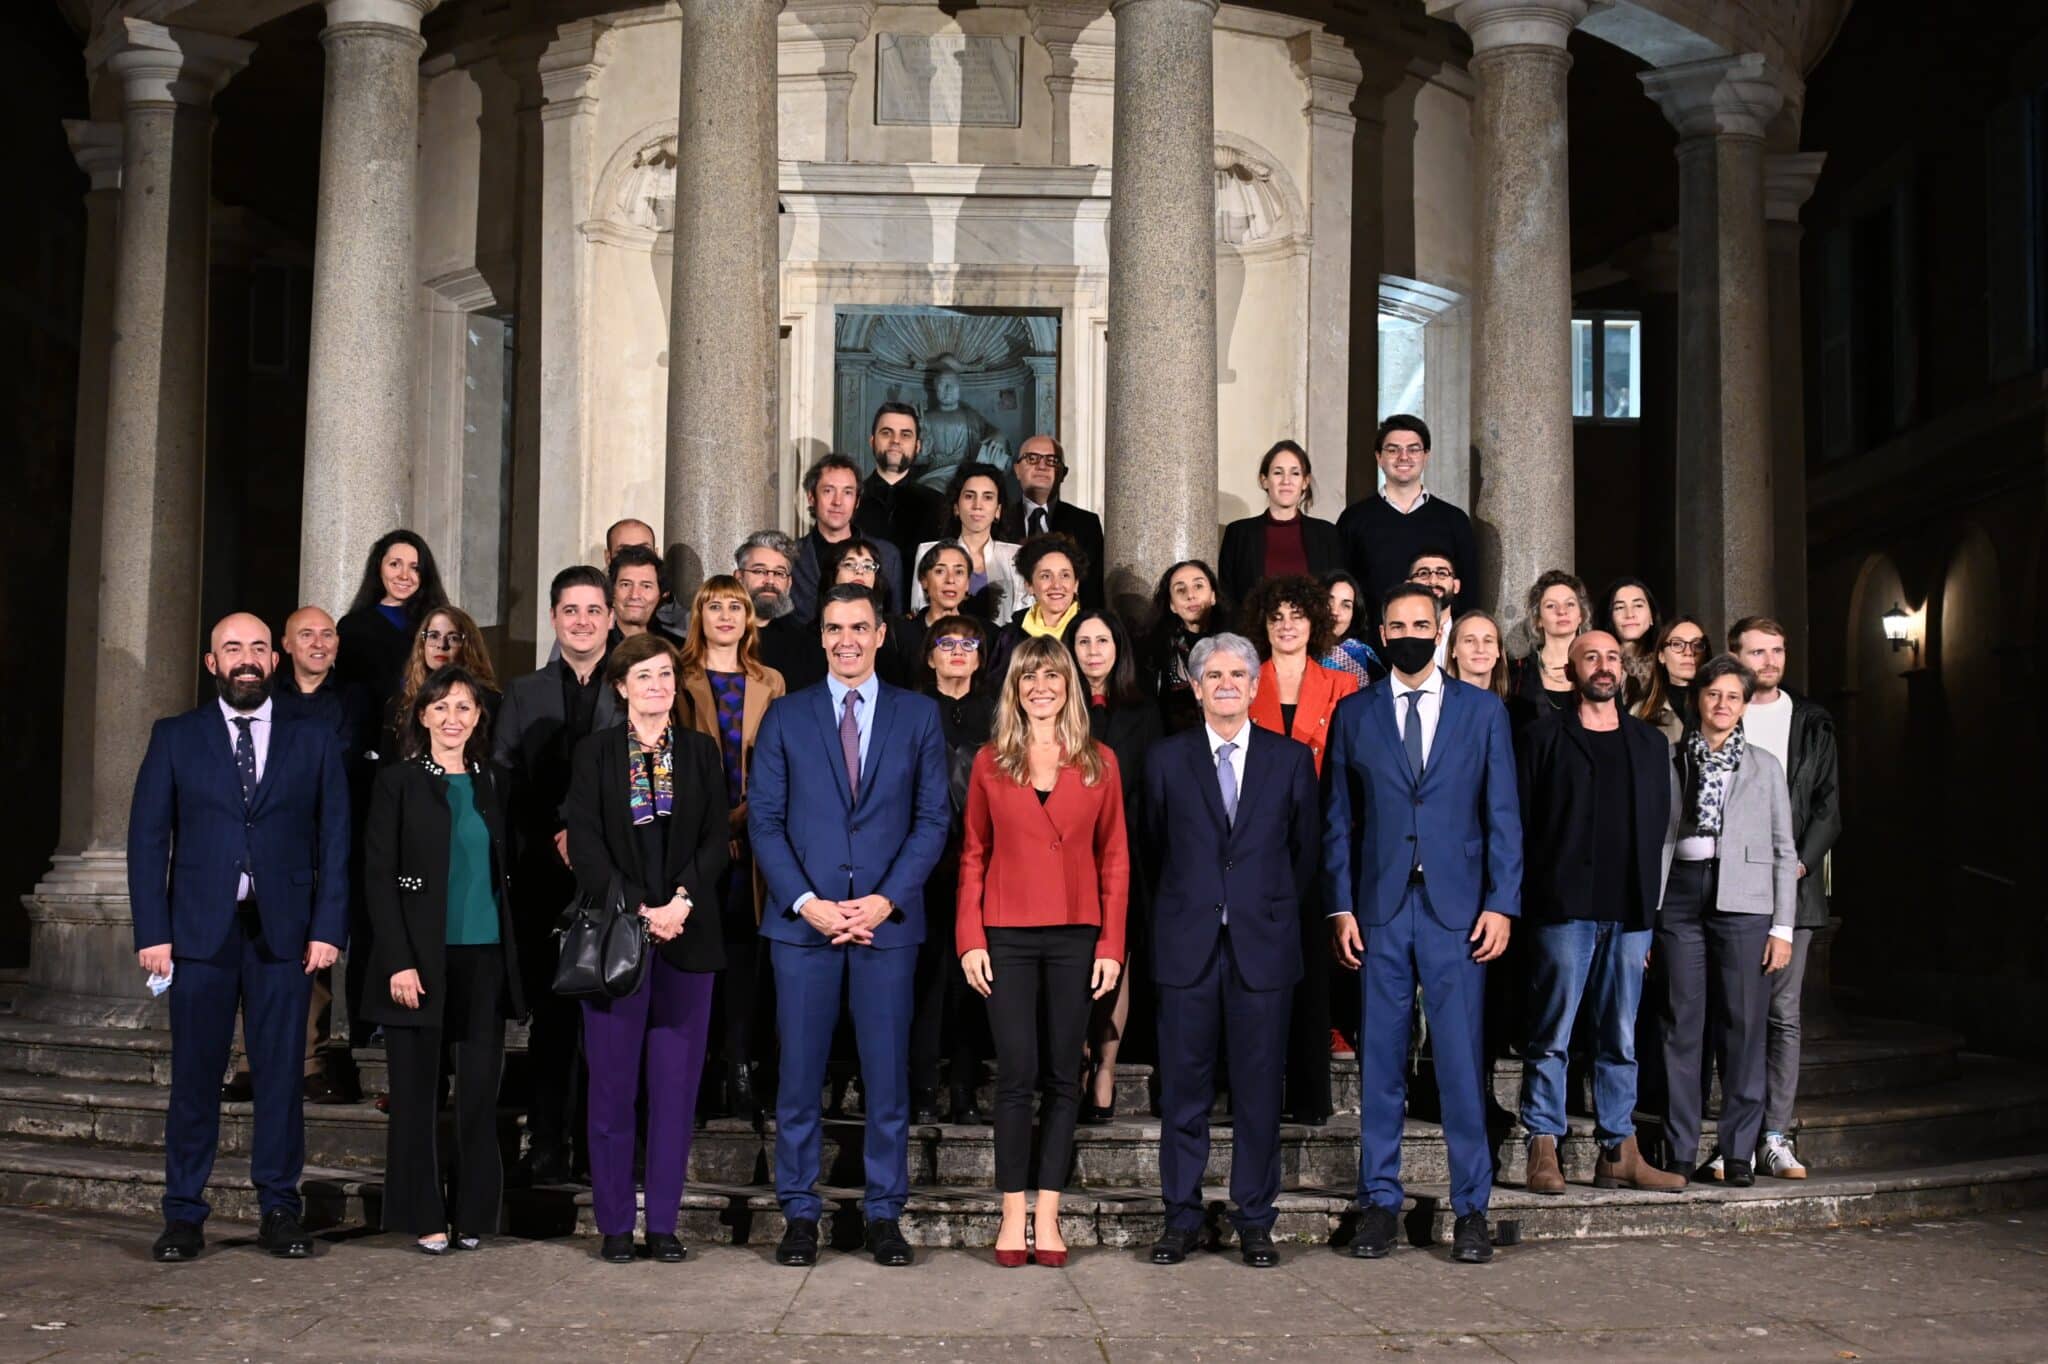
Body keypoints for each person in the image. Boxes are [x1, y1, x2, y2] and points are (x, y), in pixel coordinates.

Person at [129, 613, 350, 1263]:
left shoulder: (311, 739)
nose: (247, 658)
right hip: (197, 936)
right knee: (195, 1078)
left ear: (274, 662)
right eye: (234, 648)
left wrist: (328, 927)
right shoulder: (175, 737)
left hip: (284, 936)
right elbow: (146, 841)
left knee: (281, 1077)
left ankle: (280, 1209)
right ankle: (183, 1213)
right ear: (212, 663)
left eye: (258, 647)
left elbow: (334, 837)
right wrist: (153, 931)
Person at [747, 584, 951, 1269]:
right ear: (822, 635)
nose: (846, 640)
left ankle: (884, 1214)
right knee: (799, 1079)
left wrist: (886, 899)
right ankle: (799, 1211)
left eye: (859, 627)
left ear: (882, 633)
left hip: (884, 928)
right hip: (803, 929)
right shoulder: (785, 716)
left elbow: (932, 820)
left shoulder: (918, 716)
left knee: (887, 1081)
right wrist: (807, 900)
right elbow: (766, 823)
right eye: (834, 628)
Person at [1324, 583, 1522, 1265]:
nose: (1409, 632)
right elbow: (1339, 821)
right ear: (1381, 633)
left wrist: (1502, 903)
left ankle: (1472, 1208)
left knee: (1462, 1064)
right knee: (1380, 1061)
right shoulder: (1355, 713)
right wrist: (1341, 905)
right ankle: (1379, 1201)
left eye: (1421, 622)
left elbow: (1502, 815)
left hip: (1458, 911)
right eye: (1396, 622)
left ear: (1440, 630)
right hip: (1379, 910)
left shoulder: (1483, 711)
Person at [1143, 634, 1319, 1269]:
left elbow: (1304, 857)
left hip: (1262, 949)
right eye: (1212, 673)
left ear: (1254, 686)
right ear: (1195, 687)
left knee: (1257, 1093)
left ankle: (1254, 1219)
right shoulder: (1165, 761)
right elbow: (1153, 851)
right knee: (1183, 1092)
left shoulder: (1291, 760)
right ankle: (1182, 1217)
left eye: (1237, 673)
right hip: (1187, 946)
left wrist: (1259, 908)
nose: (1224, 683)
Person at [958, 638, 1130, 1268]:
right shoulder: (989, 761)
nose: (1040, 687)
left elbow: (1115, 859)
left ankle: (1049, 1216)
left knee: (1064, 1075)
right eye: (1029, 677)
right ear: (1015, 687)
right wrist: (969, 937)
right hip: (1005, 932)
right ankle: (1011, 1217)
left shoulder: (1101, 763)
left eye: (1052, 676)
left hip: (1076, 934)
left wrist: (1111, 943)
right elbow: (972, 854)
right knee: (1016, 1073)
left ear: (1069, 686)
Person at [563, 632, 731, 1264]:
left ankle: (662, 1223)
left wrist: (680, 902)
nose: (658, 686)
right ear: (621, 686)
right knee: (611, 1089)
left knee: (674, 1093)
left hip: (689, 936)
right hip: (617, 937)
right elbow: (585, 844)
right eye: (645, 676)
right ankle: (613, 1224)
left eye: (666, 675)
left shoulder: (699, 751)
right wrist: (638, 906)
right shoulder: (595, 754)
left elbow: (716, 838)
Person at [1514, 633, 1686, 1196]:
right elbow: (1521, 826)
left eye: (1612, 657)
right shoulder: (1542, 738)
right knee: (1553, 1031)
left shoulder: (1647, 743)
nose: (1604, 666)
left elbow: (1662, 829)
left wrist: (1652, 910)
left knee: (1621, 1035)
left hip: (1631, 910)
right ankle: (1544, 1143)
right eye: (1592, 657)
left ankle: (1619, 1149)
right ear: (1570, 668)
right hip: (1564, 908)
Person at [360, 665, 524, 1253]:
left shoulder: (493, 783)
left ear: (479, 717)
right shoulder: (397, 782)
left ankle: (474, 1215)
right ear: (422, 716)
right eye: (441, 707)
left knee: (479, 1094)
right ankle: (424, 1214)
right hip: (419, 963)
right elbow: (378, 878)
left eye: (464, 708)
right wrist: (398, 962)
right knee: (417, 1095)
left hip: (483, 959)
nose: (453, 718)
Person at [492, 565, 618, 1186]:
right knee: (552, 1020)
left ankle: (603, 1149)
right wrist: (553, 834)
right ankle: (546, 1143)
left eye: (594, 610)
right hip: (544, 876)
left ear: (611, 617)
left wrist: (589, 837)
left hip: (614, 877)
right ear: (553, 619)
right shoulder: (522, 692)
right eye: (571, 610)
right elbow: (504, 778)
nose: (583, 621)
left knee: (610, 1018)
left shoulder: (636, 683)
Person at [1656, 653, 1797, 1187]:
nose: (1722, 705)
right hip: (1681, 896)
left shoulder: (1764, 765)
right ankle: (1677, 1148)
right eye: (1713, 694)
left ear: (1743, 706)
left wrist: (1782, 928)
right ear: (1698, 700)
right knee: (1680, 1022)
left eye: (1732, 697)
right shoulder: (1671, 759)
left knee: (1742, 1025)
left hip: (1745, 900)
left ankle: (1738, 1150)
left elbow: (1785, 850)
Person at [1240, 575, 1357, 1127]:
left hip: (1318, 836)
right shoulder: (1243, 680)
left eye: (1297, 616)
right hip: (1253, 840)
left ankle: (1309, 1095)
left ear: (1315, 623)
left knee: (1310, 965)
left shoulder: (1341, 686)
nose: (1287, 626)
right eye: (1276, 616)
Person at [1729, 616, 1842, 1180]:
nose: (1769, 661)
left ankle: (1775, 1134)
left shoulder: (1813, 721)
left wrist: (1798, 863)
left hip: (1793, 887)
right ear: (1735, 656)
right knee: (1732, 1011)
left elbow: (1828, 807)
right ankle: (1733, 1136)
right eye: (1756, 651)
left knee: (1783, 1015)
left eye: (1777, 650)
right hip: (1728, 887)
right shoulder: (1722, 709)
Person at [676, 576, 787, 1129]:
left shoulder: (771, 681)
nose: (724, 616)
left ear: (749, 618)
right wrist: (714, 828)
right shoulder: (677, 676)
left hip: (754, 835)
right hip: (694, 837)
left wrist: (745, 821)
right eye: (714, 606)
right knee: (699, 954)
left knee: (745, 956)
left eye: (734, 607)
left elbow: (780, 761)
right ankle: (696, 1075)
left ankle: (740, 1068)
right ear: (700, 614)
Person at [274, 605, 376, 1091]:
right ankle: (258, 1062)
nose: (319, 643)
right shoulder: (267, 700)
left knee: (326, 947)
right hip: (281, 839)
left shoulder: (358, 698)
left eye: (328, 634)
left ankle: (314, 1062)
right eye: (307, 635)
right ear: (287, 645)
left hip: (344, 835)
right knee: (273, 948)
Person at [1071, 608, 1162, 1122]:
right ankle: (1074, 1058)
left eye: (1102, 640)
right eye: (1083, 642)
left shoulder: (1141, 710)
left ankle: (1104, 1066)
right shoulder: (1056, 703)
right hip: (1067, 849)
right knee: (1073, 957)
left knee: (1117, 958)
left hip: (1123, 850)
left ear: (1118, 647)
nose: (1092, 651)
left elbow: (1149, 787)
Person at [911, 612, 995, 1124]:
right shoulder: (911, 710)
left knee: (972, 978)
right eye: (947, 642)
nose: (958, 650)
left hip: (983, 861)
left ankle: (963, 1090)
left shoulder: (998, 712)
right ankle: (921, 1088)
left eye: (969, 643)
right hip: (923, 862)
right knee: (924, 980)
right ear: (929, 654)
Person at [1335, 416, 1478, 628]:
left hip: (1438, 649)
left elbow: (1469, 593)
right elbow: (1343, 590)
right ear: (1379, 457)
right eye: (1393, 450)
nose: (1404, 457)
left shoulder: (1454, 520)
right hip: (1371, 650)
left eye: (1413, 449)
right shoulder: (1353, 519)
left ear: (1426, 456)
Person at [336, 530, 450, 727]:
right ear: (379, 568)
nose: (404, 575)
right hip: (375, 734)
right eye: (394, 564)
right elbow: (347, 693)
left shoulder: (442, 623)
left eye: (415, 568)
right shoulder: (352, 626)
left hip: (436, 728)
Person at [1216, 441, 1346, 606]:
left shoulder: (1326, 534)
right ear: (1264, 480)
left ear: (1305, 482)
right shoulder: (1239, 533)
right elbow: (1227, 598)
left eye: (1295, 473)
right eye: (1278, 473)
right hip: (1251, 631)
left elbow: (1336, 595)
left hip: (1314, 631)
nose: (1286, 481)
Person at [790, 454, 905, 621]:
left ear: (857, 501)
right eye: (828, 491)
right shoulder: (791, 557)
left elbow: (895, 623)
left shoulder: (887, 555)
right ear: (811, 497)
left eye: (848, 492)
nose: (838, 501)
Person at [998, 435, 1106, 608]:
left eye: (1052, 460)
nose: (1042, 466)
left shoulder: (1086, 523)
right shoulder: (999, 520)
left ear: (1063, 473)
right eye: (1032, 458)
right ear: (1017, 469)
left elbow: (1093, 590)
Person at [383, 604, 500, 760]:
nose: (441, 645)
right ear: (422, 643)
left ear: (468, 646)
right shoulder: (400, 703)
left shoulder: (489, 701)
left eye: (453, 638)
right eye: (433, 635)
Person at [913, 462, 1024, 621]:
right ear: (956, 508)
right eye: (969, 496)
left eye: (987, 497)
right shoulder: (928, 552)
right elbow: (919, 614)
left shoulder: (1016, 556)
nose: (977, 506)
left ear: (998, 510)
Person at [857, 401, 945, 571]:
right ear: (872, 441)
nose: (895, 441)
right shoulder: (851, 499)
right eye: (886, 433)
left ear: (917, 446)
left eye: (905, 435)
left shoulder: (938, 505)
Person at [1142, 559, 1226, 735]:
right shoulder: (1157, 650)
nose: (1190, 595)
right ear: (1172, 605)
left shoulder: (1236, 645)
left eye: (1198, 586)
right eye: (1181, 590)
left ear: (1213, 596)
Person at [987, 532, 1086, 677]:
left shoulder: (1091, 632)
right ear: (1029, 585)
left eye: (1065, 575)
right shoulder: (1010, 636)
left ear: (1076, 584)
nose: (1056, 585)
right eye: (1046, 576)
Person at [737, 531, 824, 692]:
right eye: (759, 571)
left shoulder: (809, 647)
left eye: (779, 573)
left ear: (789, 583)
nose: (770, 581)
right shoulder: (720, 637)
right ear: (739, 578)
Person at [881, 540, 974, 687]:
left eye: (959, 572)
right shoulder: (901, 634)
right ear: (923, 581)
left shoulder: (986, 634)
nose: (950, 580)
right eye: (939, 571)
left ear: (968, 583)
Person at [1509, 570, 1592, 727]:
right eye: (1551, 606)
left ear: (1581, 615)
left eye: (1570, 604)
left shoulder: (1599, 668)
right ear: (1538, 619)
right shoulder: (1517, 673)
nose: (1561, 611)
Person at [1634, 615, 1707, 743]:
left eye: (1697, 645)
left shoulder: (1720, 703)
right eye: (1677, 644)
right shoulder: (1640, 711)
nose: (1688, 652)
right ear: (1661, 656)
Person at [1599, 577, 1662, 707]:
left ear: (1652, 616)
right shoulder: (1599, 665)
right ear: (1610, 618)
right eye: (1620, 607)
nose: (1629, 614)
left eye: (1638, 605)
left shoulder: (1665, 664)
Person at [608, 543, 686, 647]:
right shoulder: (594, 647)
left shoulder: (679, 651)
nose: (634, 595)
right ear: (612, 591)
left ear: (661, 594)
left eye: (646, 586)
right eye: (625, 584)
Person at [1319, 571, 1385, 687]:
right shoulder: (1292, 648)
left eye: (1346, 606)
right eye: (1328, 601)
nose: (1335, 612)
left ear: (1354, 615)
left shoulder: (1361, 655)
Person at [818, 533, 896, 622]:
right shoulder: (809, 634)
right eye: (849, 564)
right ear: (833, 575)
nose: (860, 571)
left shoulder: (897, 629)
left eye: (867, 566)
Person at [1406, 548, 1461, 670]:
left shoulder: (1469, 633)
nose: (1432, 581)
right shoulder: (1394, 633)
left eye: (1442, 573)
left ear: (1456, 586)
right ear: (1408, 585)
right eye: (1423, 573)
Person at [1446, 609, 1510, 699]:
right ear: (1454, 650)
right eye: (1469, 641)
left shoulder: (1519, 710)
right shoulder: (1436, 706)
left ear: (1498, 650)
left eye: (1488, 641)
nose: (1480, 649)